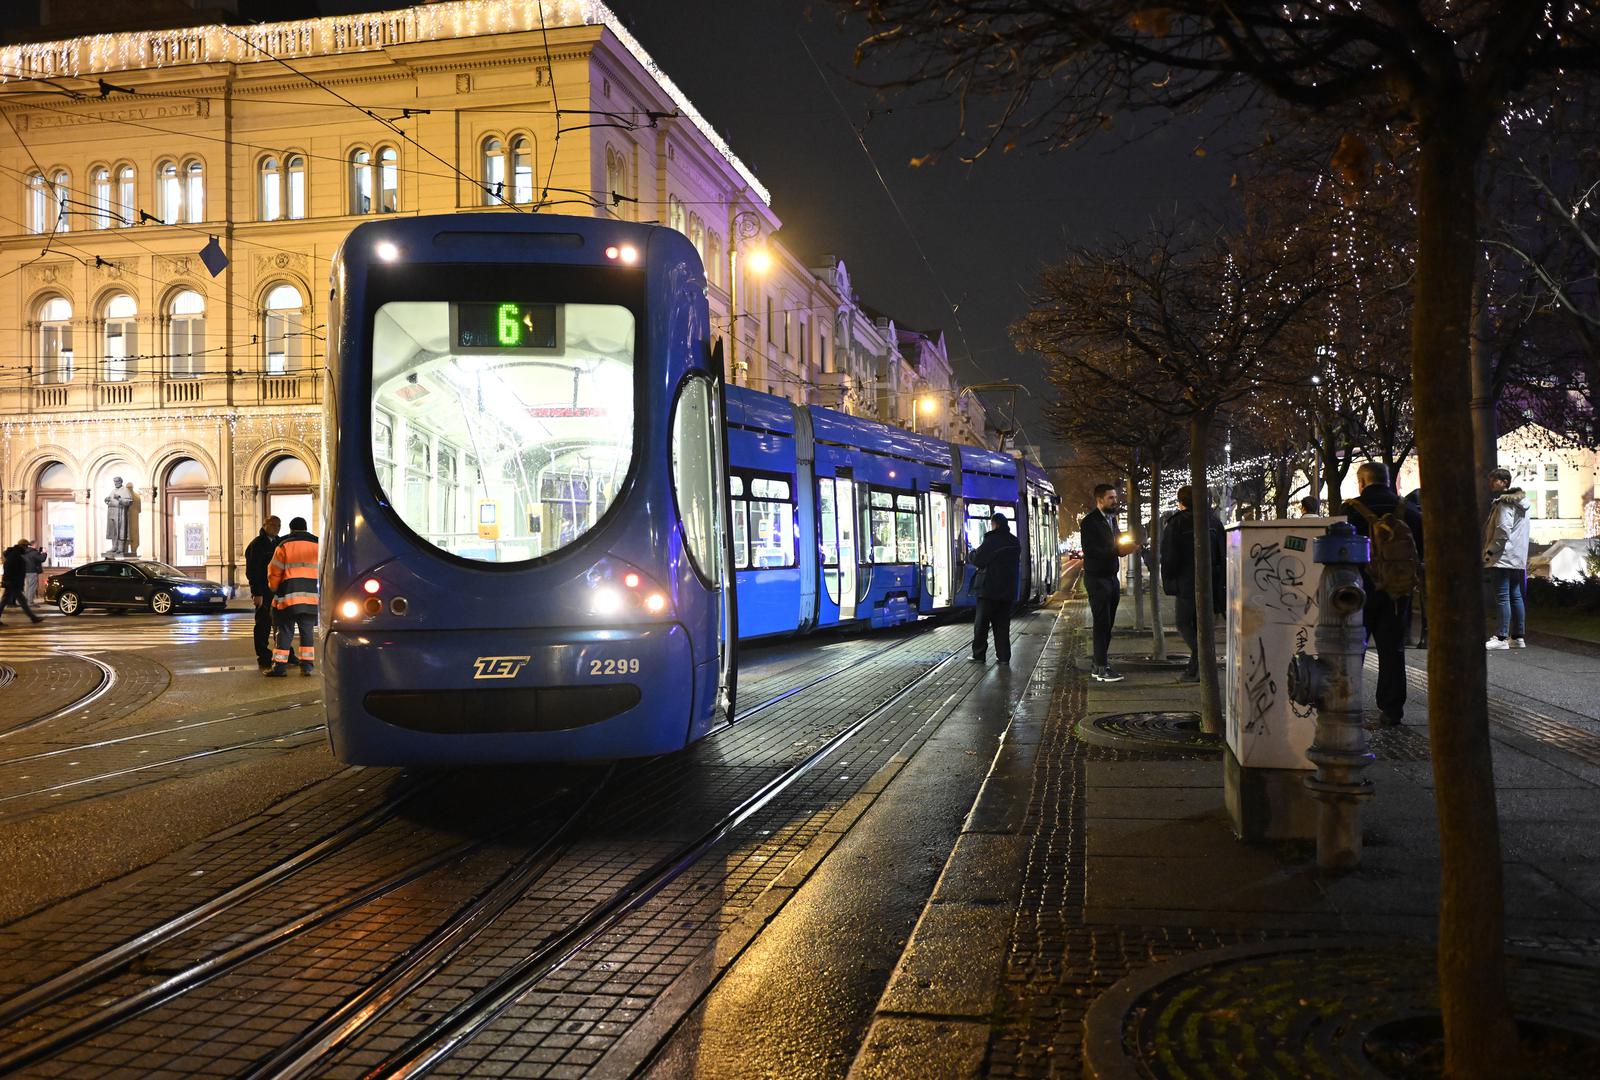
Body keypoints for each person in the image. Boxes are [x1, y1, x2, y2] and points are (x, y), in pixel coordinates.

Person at [1341, 462, 1423, 726]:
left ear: (1361, 482)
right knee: (1392, 651)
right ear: (1388, 481)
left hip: (1358, 590)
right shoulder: (1408, 510)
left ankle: (1348, 706)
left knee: (1352, 648)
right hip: (1397, 592)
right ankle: (1391, 710)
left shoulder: (1349, 511)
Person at [1160, 485, 1225, 684]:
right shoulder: (1214, 521)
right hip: (1211, 582)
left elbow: (1169, 557)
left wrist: (1170, 580)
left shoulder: (1176, 523)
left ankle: (1202, 660)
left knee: (1184, 623)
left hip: (1187, 583)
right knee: (1201, 625)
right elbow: (1222, 554)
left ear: (1182, 502)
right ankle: (1194, 669)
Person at [1080, 484, 1136, 682]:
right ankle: (1102, 668)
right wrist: (1116, 550)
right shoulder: (1089, 522)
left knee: (1108, 623)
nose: (1115, 500)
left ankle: (1098, 664)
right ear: (1100, 500)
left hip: (1111, 577)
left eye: (1115, 497)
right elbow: (1091, 550)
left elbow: (1117, 542)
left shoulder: (1112, 520)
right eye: (1111, 498)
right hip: (1097, 579)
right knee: (1101, 623)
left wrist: (1126, 547)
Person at [1482, 468, 1530, 650]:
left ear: (1504, 482)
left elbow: (1502, 531)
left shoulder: (1505, 504)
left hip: (1502, 556)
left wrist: (1490, 552)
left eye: (1493, 480)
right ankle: (1518, 637)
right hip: (1517, 557)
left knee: (1502, 597)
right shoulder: (1522, 503)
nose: (1490, 483)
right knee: (1515, 595)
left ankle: (1501, 637)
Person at [264, 516, 319, 677]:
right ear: (306, 528)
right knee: (307, 632)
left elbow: (274, 571)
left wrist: (273, 588)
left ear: (291, 529)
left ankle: (279, 667)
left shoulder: (284, 545)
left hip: (288, 598)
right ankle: (307, 666)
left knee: (285, 631)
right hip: (311, 598)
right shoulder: (317, 544)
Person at [968, 511, 1022, 664]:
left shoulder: (991, 540)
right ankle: (1004, 657)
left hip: (989, 590)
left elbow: (978, 559)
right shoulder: (1014, 541)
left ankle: (979, 655)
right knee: (1002, 626)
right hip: (1007, 590)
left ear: (995, 524)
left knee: (981, 625)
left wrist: (971, 554)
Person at [245, 515, 283, 674]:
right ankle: (263, 657)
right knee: (262, 625)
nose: (277, 528)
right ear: (265, 525)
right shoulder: (257, 544)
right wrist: (257, 593)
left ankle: (282, 654)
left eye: (279, 525)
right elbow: (253, 571)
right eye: (274, 525)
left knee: (280, 624)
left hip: (277, 591)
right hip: (264, 591)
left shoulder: (278, 542)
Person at [0, 538, 45, 625]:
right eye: (26, 546)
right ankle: (33, 618)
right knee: (21, 601)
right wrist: (9, 581)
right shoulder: (15, 555)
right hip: (13, 583)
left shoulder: (16, 554)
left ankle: (33, 618)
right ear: (22, 546)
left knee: (8, 601)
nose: (26, 548)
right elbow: (9, 568)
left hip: (13, 583)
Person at [1404, 488, 1427, 649]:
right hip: (1425, 559)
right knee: (1426, 598)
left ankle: (1405, 633)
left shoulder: (1407, 511)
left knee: (1407, 596)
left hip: (1407, 559)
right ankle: (1426, 636)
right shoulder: (1430, 513)